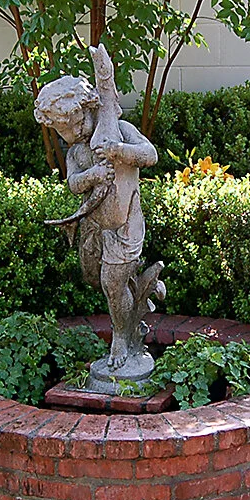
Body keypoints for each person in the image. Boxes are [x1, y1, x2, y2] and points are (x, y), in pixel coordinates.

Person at [34, 46, 162, 372]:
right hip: (99, 227)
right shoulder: (77, 152)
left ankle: (122, 337)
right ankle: (134, 319)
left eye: (74, 124)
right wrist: (92, 175)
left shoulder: (119, 131)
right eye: (61, 131)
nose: (70, 134)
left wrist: (119, 151)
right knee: (106, 281)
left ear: (90, 107)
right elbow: (73, 183)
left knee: (112, 282)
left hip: (126, 223)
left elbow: (150, 155)